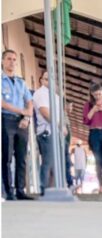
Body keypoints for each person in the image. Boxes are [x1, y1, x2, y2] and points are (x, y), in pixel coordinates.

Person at [2, 49, 33, 200]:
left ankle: (20, 190)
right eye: (9, 59)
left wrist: (26, 117)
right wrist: (22, 110)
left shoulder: (21, 82)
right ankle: (9, 192)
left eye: (14, 59)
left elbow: (30, 102)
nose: (12, 62)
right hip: (6, 120)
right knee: (6, 157)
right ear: (2, 61)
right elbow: (2, 103)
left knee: (21, 157)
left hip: (22, 122)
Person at [32, 71, 64, 194]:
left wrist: (62, 126)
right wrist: (59, 125)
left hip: (56, 132)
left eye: (52, 79)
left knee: (56, 163)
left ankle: (53, 188)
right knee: (48, 161)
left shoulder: (55, 96)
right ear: (41, 80)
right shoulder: (40, 93)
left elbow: (60, 113)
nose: (49, 81)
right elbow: (45, 112)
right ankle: (44, 189)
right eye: (46, 79)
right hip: (46, 132)